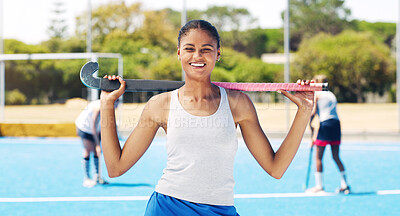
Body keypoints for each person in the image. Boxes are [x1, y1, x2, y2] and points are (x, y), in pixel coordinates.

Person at [100, 20, 314, 215]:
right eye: (189, 49)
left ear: (218, 54)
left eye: (206, 49)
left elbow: (275, 168)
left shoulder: (238, 104)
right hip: (168, 208)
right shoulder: (160, 105)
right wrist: (107, 104)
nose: (197, 57)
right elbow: (116, 167)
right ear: (179, 53)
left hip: (220, 210)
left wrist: (304, 111)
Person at [307, 74, 350, 194]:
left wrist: (311, 131)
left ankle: (319, 186)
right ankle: (345, 184)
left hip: (325, 124)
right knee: (336, 156)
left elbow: (313, 113)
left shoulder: (318, 94)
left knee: (318, 157)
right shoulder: (331, 94)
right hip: (336, 125)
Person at [75, 99, 115, 187]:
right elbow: (93, 125)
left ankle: (97, 176)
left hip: (95, 129)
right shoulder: (98, 107)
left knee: (97, 152)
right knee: (88, 150)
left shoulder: (111, 105)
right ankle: (87, 178)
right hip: (84, 128)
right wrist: (97, 144)